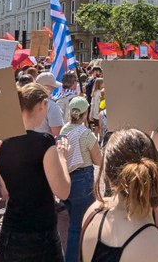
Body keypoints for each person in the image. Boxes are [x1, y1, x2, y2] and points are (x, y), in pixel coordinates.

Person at [81, 129, 158, 262]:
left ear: (107, 175)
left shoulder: (92, 214)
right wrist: (152, 150)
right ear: (153, 174)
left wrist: (151, 149)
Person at [0, 83, 72, 261]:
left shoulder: (2, 142)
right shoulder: (43, 142)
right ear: (41, 105)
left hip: (10, 232)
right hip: (39, 235)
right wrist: (62, 157)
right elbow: (63, 191)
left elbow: (5, 186)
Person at [61, 96, 102, 262]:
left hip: (66, 179)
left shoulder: (64, 130)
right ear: (85, 114)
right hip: (82, 181)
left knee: (74, 219)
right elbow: (98, 160)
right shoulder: (86, 134)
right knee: (79, 226)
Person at [34, 72, 66, 137]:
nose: (53, 89)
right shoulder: (51, 106)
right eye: (52, 87)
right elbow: (57, 134)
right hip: (46, 145)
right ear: (46, 87)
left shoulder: (26, 102)